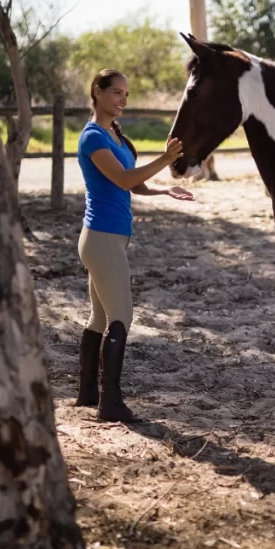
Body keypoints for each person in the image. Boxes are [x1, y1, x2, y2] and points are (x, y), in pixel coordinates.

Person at [75, 68, 195, 423]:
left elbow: (130, 184)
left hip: (108, 240)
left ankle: (87, 393)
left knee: (99, 317)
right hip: (101, 240)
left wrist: (163, 189)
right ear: (97, 92)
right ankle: (110, 404)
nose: (123, 100)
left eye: (126, 94)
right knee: (121, 317)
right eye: (116, 93)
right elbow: (125, 177)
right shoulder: (92, 137)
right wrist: (165, 161)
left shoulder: (114, 134)